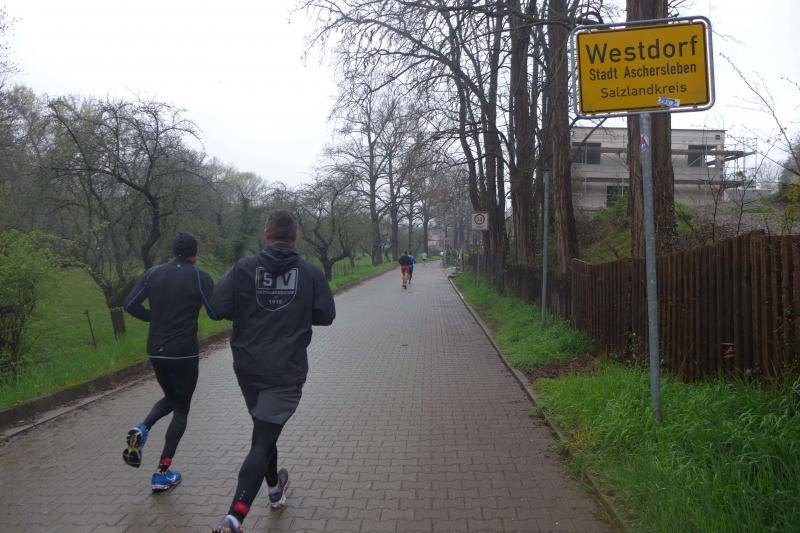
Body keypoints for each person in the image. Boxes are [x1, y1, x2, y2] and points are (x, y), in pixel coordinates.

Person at [210, 210, 336, 533]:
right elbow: (325, 315)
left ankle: (275, 489)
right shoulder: (309, 272)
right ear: (295, 236)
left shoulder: (243, 268)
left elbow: (216, 308)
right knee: (263, 440)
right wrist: (296, 309)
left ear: (267, 234)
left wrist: (250, 305)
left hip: (248, 367)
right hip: (285, 371)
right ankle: (234, 519)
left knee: (264, 431)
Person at [122, 232, 218, 492]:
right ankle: (162, 473)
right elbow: (214, 312)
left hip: (156, 350)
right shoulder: (199, 276)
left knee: (172, 398)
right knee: (182, 409)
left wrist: (154, 317)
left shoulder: (153, 273)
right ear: (194, 254)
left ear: (174, 251)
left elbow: (129, 304)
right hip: (183, 352)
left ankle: (142, 428)